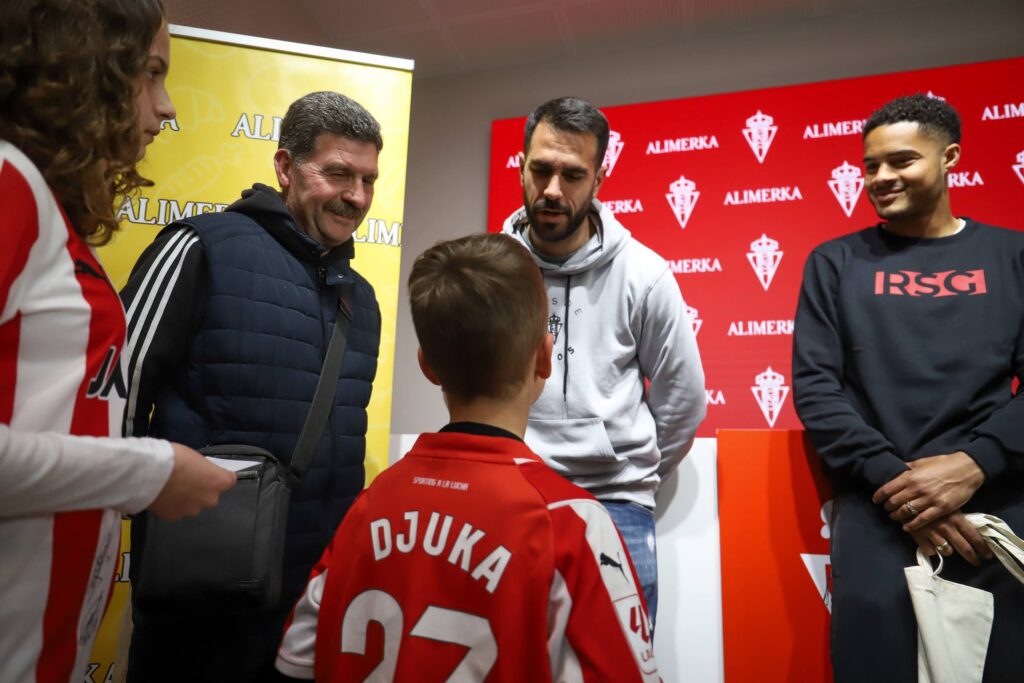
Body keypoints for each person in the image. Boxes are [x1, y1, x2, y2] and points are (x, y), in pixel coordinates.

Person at [275, 233, 659, 681]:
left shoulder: (368, 508)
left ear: (426, 365)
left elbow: (295, 662)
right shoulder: (570, 526)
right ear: (544, 358)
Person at [0, 1, 236, 681]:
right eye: (151, 74)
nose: (165, 109)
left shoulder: (47, 208)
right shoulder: (9, 181)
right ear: (84, 70)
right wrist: (147, 469)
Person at [121, 90, 383, 681]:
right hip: (200, 612)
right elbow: (116, 405)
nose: (357, 196)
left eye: (368, 179)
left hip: (312, 610)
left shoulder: (360, 301)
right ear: (286, 168)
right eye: (338, 173)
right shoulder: (199, 247)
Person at [793, 93, 1024, 683]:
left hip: (993, 509)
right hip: (877, 513)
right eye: (870, 165)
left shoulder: (1012, 255)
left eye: (900, 161)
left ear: (949, 157)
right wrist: (899, 486)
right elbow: (818, 390)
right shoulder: (835, 262)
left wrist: (976, 464)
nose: (880, 177)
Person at [500, 96, 706, 623]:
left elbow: (682, 400)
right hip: (508, 498)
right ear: (521, 165)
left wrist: (628, 470)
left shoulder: (645, 273)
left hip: (616, 510)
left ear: (599, 179)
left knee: (616, 666)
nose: (551, 190)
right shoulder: (490, 270)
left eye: (572, 174)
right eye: (540, 170)